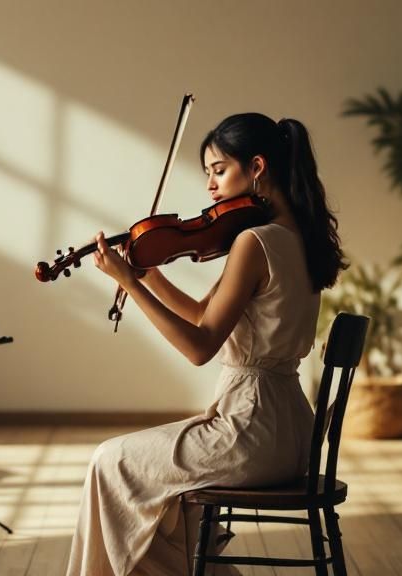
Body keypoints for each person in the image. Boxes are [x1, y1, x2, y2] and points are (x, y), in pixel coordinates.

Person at [65, 113, 346, 576]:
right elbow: (202, 315)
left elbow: (199, 347)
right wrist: (146, 275)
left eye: (219, 170)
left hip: (252, 431)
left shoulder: (254, 242)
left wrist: (128, 287)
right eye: (208, 174)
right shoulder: (295, 238)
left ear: (256, 166)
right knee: (163, 496)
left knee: (107, 461)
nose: (211, 186)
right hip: (293, 431)